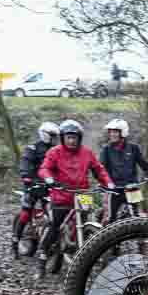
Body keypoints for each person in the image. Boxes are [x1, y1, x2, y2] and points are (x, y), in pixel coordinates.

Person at [36, 119, 115, 279]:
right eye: (68, 137)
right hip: (61, 195)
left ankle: (82, 250)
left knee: (90, 219)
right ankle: (42, 259)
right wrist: (49, 179)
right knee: (55, 225)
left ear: (79, 138)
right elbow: (44, 168)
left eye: (74, 137)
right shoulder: (54, 152)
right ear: (63, 138)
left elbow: (99, 170)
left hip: (83, 194)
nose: (71, 140)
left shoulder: (87, 153)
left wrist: (108, 183)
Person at [12, 122, 59, 259]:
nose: (55, 138)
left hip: (50, 186)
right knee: (26, 213)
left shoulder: (57, 150)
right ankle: (15, 241)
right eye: (52, 136)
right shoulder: (32, 148)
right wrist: (26, 176)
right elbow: (25, 162)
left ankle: (48, 242)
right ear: (44, 134)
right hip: (33, 186)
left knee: (53, 214)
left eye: (56, 136)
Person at [98, 118, 148, 223]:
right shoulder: (106, 150)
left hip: (132, 188)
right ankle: (105, 237)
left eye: (115, 132)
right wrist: (105, 183)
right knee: (110, 218)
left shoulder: (133, 148)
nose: (112, 134)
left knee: (137, 216)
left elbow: (143, 163)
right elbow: (101, 169)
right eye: (111, 132)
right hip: (114, 190)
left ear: (123, 133)